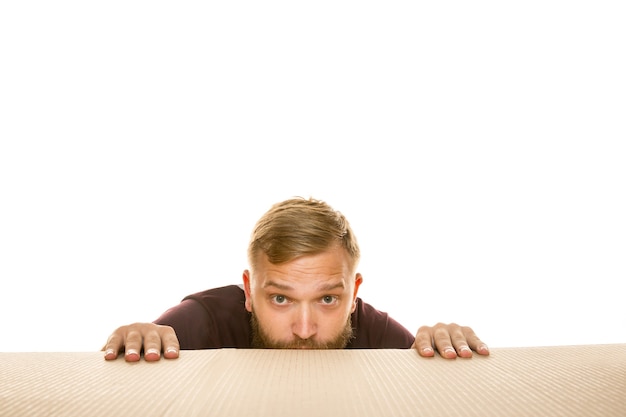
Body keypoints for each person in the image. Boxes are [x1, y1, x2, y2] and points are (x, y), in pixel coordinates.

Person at [103, 197, 490, 362]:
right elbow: (143, 353)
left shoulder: (376, 334)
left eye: (327, 300)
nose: (305, 331)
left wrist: (443, 348)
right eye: (281, 299)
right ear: (249, 291)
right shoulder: (203, 320)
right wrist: (138, 337)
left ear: (353, 293)